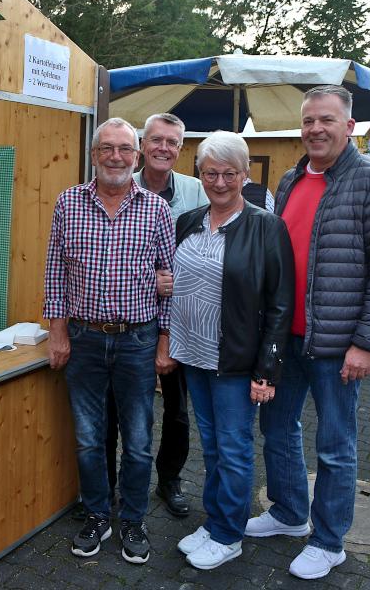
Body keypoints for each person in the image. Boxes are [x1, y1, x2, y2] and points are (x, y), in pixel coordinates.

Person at [248, 85, 370, 580]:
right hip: (285, 337)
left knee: (335, 445)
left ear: (350, 127)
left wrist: (366, 342)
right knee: (276, 429)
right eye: (309, 121)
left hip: (337, 344)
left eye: (327, 120)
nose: (316, 129)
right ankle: (289, 513)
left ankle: (328, 539)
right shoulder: (292, 179)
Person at [43, 117, 175, 565]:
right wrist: (57, 332)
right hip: (83, 340)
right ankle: (98, 514)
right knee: (87, 438)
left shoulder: (156, 210)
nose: (115, 156)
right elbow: (54, 274)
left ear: (136, 157)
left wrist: (163, 343)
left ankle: (133, 520)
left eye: (124, 149)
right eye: (107, 148)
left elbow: (169, 283)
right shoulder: (68, 203)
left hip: (137, 341)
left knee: (137, 440)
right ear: (94, 154)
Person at [169, 131, 294, 570]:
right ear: (199, 174)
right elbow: (173, 276)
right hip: (194, 355)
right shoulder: (189, 220)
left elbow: (281, 303)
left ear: (245, 174)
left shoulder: (265, 226)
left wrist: (267, 370)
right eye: (210, 173)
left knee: (235, 447)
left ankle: (228, 534)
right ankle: (217, 520)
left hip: (236, 362)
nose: (219, 182)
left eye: (228, 173)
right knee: (214, 446)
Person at [131, 112, 208, 517]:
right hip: (134, 319)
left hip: (182, 321)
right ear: (143, 144)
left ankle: (169, 479)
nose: (164, 148)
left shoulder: (198, 191)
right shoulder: (122, 186)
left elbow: (216, 247)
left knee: (177, 410)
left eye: (172, 143)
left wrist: (180, 280)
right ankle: (125, 481)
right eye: (157, 140)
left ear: (181, 149)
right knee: (127, 406)